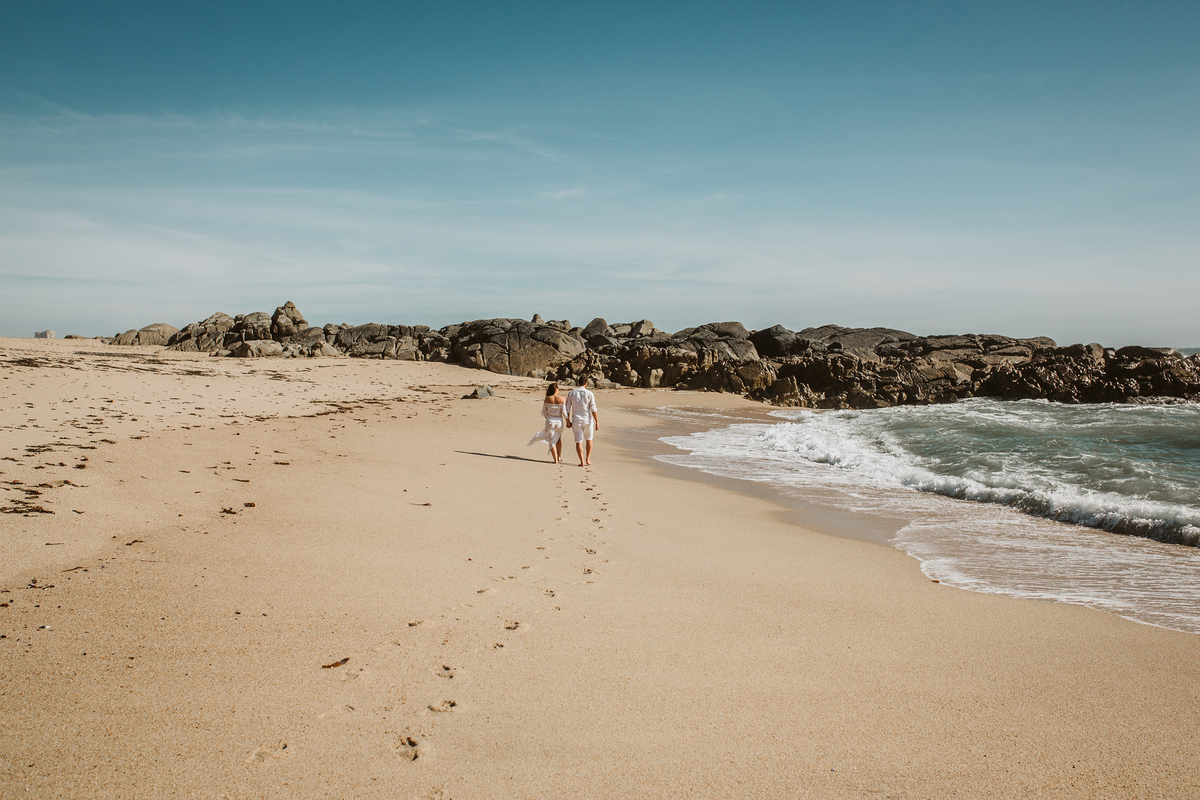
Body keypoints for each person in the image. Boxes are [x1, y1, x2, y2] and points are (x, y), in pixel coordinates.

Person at [564, 376, 599, 467]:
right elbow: (593, 408)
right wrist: (597, 421)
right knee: (589, 439)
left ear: (578, 383)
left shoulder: (571, 393)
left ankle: (582, 461)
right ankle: (588, 458)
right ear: (586, 383)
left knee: (579, 441)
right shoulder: (589, 393)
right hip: (587, 420)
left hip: (577, 421)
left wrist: (568, 421)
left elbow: (567, 409)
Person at [528, 382, 566, 463]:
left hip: (550, 421)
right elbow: (564, 413)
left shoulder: (547, 399)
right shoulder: (562, 398)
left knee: (551, 440)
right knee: (558, 438)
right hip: (559, 421)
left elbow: (544, 412)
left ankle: (555, 460)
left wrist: (547, 417)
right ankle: (559, 457)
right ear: (556, 389)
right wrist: (568, 421)